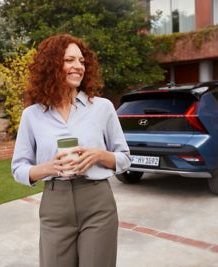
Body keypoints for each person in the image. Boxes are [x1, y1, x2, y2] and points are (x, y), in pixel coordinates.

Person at [11, 33, 131, 267]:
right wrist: (48, 167)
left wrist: (100, 155)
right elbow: (18, 168)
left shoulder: (103, 107)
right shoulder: (32, 115)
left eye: (82, 61)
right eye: (69, 60)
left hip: (97, 201)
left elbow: (124, 158)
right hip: (55, 204)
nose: (78, 67)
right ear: (51, 65)